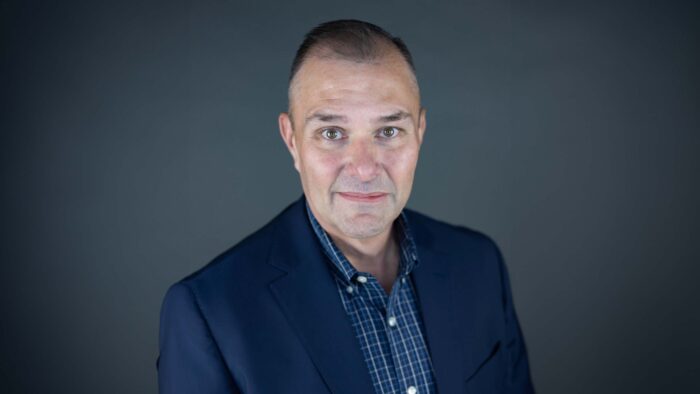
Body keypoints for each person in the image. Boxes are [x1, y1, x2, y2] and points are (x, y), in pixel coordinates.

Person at [158, 19, 534, 394]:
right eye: (332, 133)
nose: (365, 168)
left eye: (388, 132)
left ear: (419, 133)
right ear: (292, 141)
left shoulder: (479, 264)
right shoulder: (208, 312)